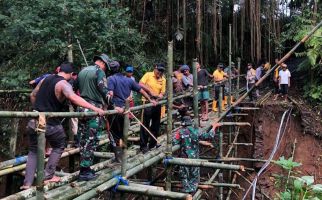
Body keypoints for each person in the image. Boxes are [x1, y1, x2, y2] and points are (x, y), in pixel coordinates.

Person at [21, 63, 105, 189]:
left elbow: (32, 95)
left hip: (34, 121)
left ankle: (27, 183)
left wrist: (38, 110)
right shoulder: (63, 84)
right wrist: (94, 108)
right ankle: (48, 176)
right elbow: (74, 97)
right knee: (59, 145)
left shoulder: (45, 79)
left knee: (33, 151)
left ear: (59, 70)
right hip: (50, 123)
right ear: (71, 75)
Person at [107, 61, 157, 162]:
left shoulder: (110, 79)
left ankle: (119, 156)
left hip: (116, 111)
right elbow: (141, 90)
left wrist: (112, 106)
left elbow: (110, 94)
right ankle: (122, 154)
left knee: (114, 134)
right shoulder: (128, 80)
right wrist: (150, 99)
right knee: (122, 133)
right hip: (125, 111)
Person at [76, 53, 114, 181]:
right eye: (106, 67)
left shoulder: (82, 71)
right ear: (103, 63)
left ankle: (84, 167)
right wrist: (112, 105)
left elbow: (73, 89)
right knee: (91, 139)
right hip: (93, 109)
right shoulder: (99, 72)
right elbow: (104, 91)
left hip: (81, 108)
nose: (106, 70)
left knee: (82, 139)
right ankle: (85, 171)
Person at [172, 116, 221, 193]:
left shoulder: (180, 132)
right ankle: (191, 191)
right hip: (194, 158)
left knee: (184, 176)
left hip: (184, 158)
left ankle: (186, 191)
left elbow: (174, 142)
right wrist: (214, 127)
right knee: (194, 176)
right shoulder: (196, 131)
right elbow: (209, 136)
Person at [139, 63, 166, 153]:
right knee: (145, 124)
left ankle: (153, 144)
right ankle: (143, 146)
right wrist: (150, 91)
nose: (160, 72)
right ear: (155, 68)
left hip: (157, 103)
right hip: (147, 102)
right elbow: (140, 84)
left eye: (162, 71)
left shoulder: (163, 79)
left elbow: (162, 92)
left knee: (156, 124)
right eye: (159, 70)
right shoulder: (148, 75)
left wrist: (159, 96)